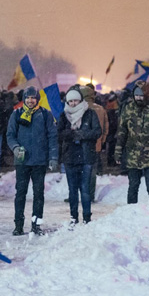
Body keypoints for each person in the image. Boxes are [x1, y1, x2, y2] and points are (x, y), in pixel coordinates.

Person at [6, 86, 59, 236]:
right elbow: (10, 135)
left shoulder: (45, 115)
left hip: (39, 161)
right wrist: (16, 148)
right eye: (28, 97)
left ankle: (36, 225)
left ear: (37, 99)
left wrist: (53, 157)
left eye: (33, 97)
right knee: (20, 194)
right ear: (24, 99)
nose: (30, 100)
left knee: (38, 195)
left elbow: (52, 137)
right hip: (22, 162)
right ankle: (18, 225)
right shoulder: (16, 114)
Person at [114, 82, 149, 211]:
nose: (138, 98)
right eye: (136, 95)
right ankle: (131, 213)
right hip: (132, 154)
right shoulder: (128, 108)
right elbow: (122, 131)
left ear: (146, 94)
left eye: (141, 95)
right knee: (133, 185)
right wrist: (118, 151)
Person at [57, 87, 101, 226]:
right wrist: (70, 134)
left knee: (85, 190)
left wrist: (82, 134)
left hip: (86, 156)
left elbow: (97, 131)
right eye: (71, 101)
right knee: (72, 190)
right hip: (70, 157)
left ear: (81, 100)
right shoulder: (64, 116)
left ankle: (87, 217)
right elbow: (58, 133)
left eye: (76, 100)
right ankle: (73, 217)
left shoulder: (90, 114)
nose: (74, 103)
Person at [81, 85, 108, 199]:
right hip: (96, 145)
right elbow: (106, 128)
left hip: (81, 145)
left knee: (80, 171)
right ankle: (90, 195)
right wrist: (101, 142)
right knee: (92, 171)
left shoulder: (80, 107)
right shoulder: (100, 109)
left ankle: (80, 193)